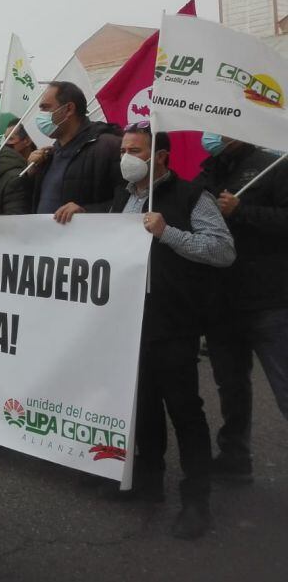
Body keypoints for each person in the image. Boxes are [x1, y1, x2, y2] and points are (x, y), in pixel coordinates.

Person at [105, 124, 235, 539]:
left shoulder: (192, 197)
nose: (126, 156)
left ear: (160, 156)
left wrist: (167, 233)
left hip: (173, 321)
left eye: (136, 149)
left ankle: (197, 500)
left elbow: (222, 250)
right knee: (142, 406)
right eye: (124, 149)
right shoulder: (123, 197)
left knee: (185, 411)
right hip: (130, 322)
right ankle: (148, 482)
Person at [196, 133, 288, 482]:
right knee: (231, 386)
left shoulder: (275, 166)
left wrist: (243, 211)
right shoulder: (207, 172)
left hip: (269, 301)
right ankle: (235, 456)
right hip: (222, 301)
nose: (211, 134)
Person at [27, 81, 122, 223]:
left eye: (46, 108)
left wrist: (85, 211)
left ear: (69, 109)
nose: (41, 116)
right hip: (47, 241)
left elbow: (128, 202)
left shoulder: (109, 147)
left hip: (85, 241)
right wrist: (31, 173)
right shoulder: (49, 155)